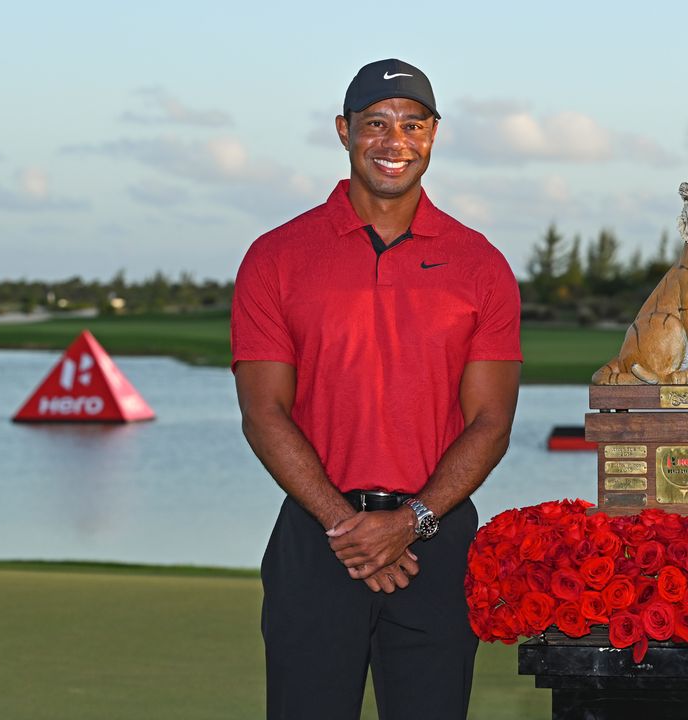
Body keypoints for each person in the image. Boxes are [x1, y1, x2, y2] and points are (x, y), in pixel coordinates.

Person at [231, 58, 522, 720]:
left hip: (436, 544)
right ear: (344, 130)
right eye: (377, 124)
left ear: (434, 134)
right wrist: (347, 527)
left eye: (413, 124)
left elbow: (491, 422)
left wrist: (409, 523)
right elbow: (263, 413)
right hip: (317, 538)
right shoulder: (277, 256)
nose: (396, 142)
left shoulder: (481, 264)